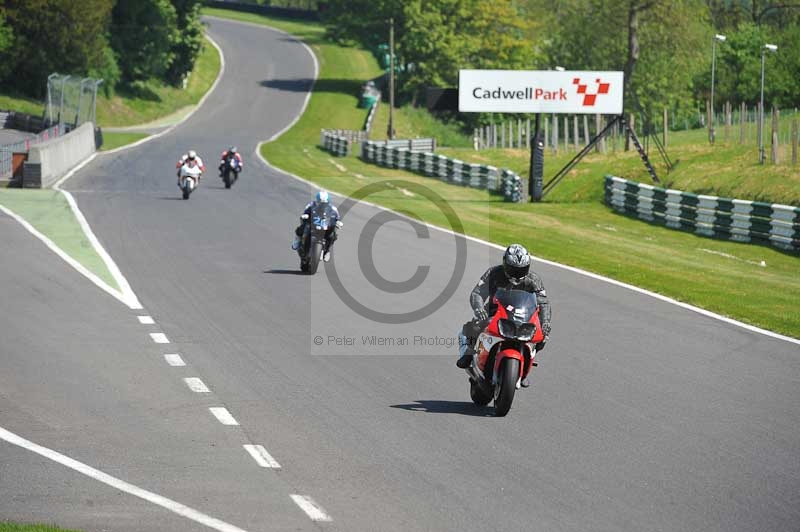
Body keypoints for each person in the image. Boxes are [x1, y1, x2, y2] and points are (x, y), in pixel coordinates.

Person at [456, 243, 552, 388]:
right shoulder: (493, 273)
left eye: (521, 270)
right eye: (513, 269)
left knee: (543, 336)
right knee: (473, 327)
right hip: (495, 312)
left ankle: (526, 366)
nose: (517, 274)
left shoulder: (533, 280)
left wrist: (545, 322)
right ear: (505, 263)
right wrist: (479, 308)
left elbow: (543, 303)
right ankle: (469, 353)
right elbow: (477, 293)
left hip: (522, 315)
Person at [291, 190, 342, 263]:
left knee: (332, 235)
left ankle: (327, 251)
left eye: (325, 203)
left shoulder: (333, 209)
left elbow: (337, 218)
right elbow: (305, 212)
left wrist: (338, 222)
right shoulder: (311, 205)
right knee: (303, 227)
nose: (323, 205)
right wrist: (305, 215)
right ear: (317, 201)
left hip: (325, 226)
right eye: (321, 203)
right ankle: (298, 239)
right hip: (313, 224)